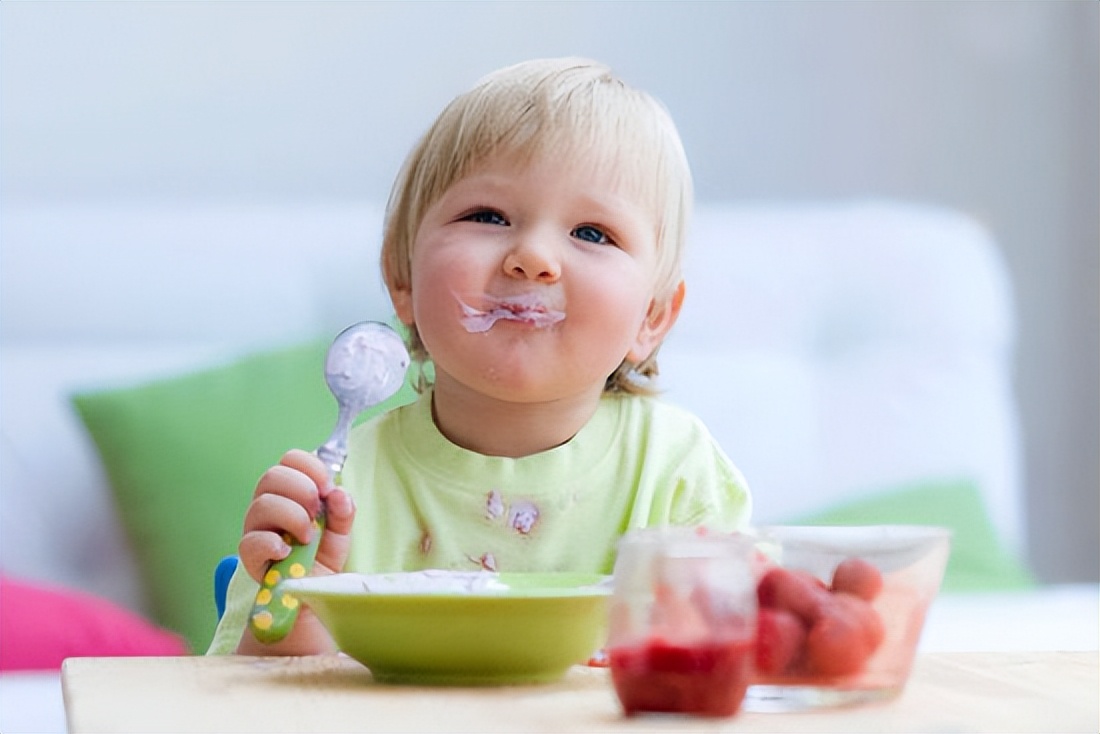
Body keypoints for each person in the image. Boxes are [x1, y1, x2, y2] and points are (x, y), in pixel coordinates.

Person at [209, 57, 751, 656]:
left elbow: (729, 680)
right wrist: (294, 625)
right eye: (488, 216)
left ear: (652, 317)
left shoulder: (679, 476)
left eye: (592, 233)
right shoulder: (336, 496)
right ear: (402, 278)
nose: (533, 256)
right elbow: (238, 703)